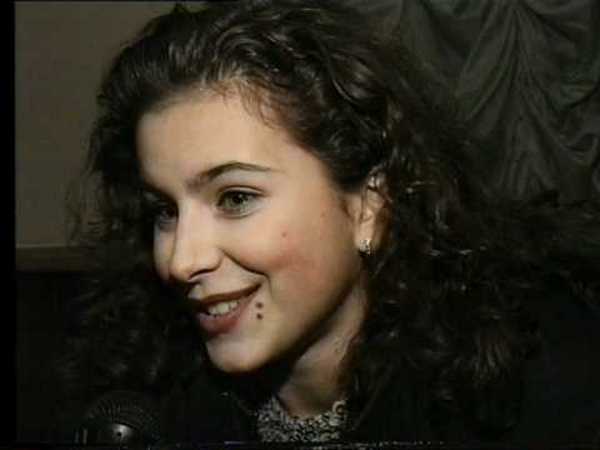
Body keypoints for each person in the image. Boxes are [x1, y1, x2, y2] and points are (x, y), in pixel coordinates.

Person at [56, 0, 600, 446]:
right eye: (165, 210)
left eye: (236, 198)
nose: (181, 259)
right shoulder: (145, 413)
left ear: (368, 207)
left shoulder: (534, 389)